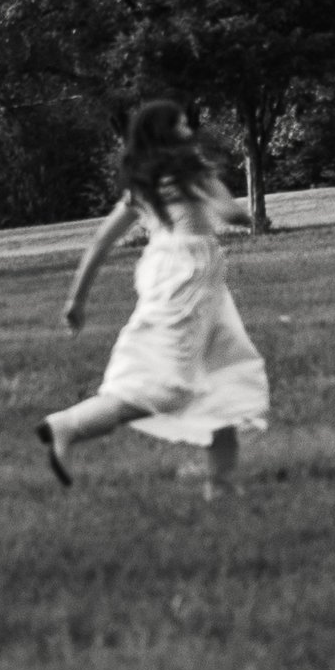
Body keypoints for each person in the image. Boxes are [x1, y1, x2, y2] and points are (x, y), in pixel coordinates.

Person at [37, 101, 269, 492]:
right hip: (191, 277)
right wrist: (242, 211)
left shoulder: (142, 184)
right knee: (163, 381)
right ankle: (69, 425)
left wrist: (76, 301)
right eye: (180, 126)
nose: (189, 131)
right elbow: (230, 214)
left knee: (226, 370)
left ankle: (222, 480)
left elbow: (101, 241)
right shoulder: (190, 170)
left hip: (174, 273)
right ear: (164, 134)